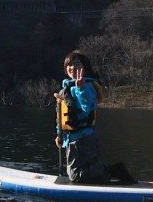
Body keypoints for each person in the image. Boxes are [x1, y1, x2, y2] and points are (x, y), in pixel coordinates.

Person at [54, 51, 136, 184]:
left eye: (76, 64)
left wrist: (81, 89)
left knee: (76, 175)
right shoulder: (67, 88)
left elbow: (88, 106)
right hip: (74, 139)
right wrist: (59, 135)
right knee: (80, 171)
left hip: (83, 139)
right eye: (69, 64)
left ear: (84, 67)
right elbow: (61, 115)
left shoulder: (87, 86)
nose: (72, 67)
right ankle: (108, 173)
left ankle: (112, 171)